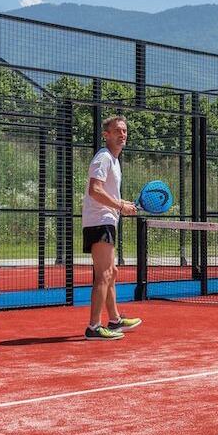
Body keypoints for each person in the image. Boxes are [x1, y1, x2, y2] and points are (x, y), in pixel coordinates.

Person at [82, 115, 142, 340]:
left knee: (111, 272)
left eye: (125, 131)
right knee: (104, 274)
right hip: (100, 221)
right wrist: (119, 205)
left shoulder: (114, 161)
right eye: (117, 131)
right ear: (106, 135)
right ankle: (93, 327)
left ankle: (115, 320)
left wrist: (122, 205)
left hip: (106, 220)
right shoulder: (103, 157)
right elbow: (94, 190)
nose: (122, 135)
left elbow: (106, 193)